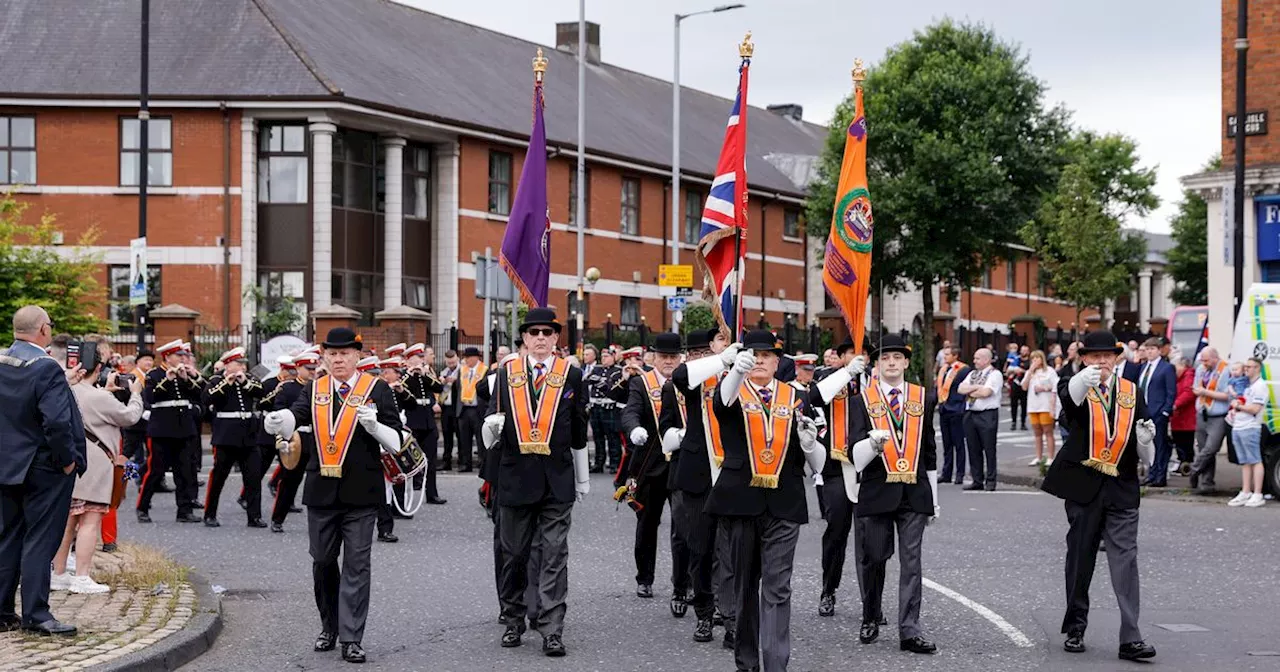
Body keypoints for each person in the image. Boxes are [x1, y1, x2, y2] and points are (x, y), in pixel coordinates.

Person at [263, 327, 406, 664]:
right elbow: (294, 418)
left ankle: (352, 637)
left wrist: (376, 427)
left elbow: (397, 440)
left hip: (362, 493)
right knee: (323, 561)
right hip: (322, 491)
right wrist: (278, 420)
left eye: (345, 353)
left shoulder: (377, 388)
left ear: (358, 356)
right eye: (332, 353)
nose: (339, 359)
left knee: (357, 565)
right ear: (324, 357)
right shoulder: (314, 389)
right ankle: (330, 625)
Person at [708, 330, 825, 672]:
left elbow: (818, 463)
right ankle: (747, 661)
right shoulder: (731, 388)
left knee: (778, 587)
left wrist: (808, 443)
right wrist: (735, 370)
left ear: (778, 362)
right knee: (745, 586)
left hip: (785, 502)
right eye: (753, 354)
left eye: (766, 356)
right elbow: (722, 404)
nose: (759, 360)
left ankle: (776, 664)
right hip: (740, 501)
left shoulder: (797, 397)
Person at [1041, 330, 1157, 662]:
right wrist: (1082, 378)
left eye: (1108, 355)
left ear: (1117, 358)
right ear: (1084, 359)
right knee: (1080, 560)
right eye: (1095, 356)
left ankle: (1131, 637)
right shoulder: (1076, 386)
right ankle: (1075, 628)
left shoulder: (1131, 392)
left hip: (1121, 488)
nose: (1102, 361)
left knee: (1126, 563)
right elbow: (1069, 402)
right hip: (1084, 489)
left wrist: (1146, 441)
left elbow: (1144, 451)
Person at [481, 308, 589, 657]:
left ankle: (551, 628)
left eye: (547, 332)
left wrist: (583, 477)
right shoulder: (504, 374)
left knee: (555, 554)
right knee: (514, 554)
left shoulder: (571, 375)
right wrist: (490, 429)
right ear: (524, 339)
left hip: (557, 478)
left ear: (557, 338)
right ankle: (513, 618)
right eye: (533, 332)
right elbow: (489, 424)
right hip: (514, 477)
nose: (540, 338)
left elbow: (578, 431)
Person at [843, 334, 939, 655]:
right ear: (876, 364)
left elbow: (929, 451)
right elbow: (854, 456)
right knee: (874, 558)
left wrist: (935, 498)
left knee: (912, 561)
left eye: (898, 357)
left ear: (907, 362)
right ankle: (870, 614)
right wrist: (872, 444)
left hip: (914, 491)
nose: (892, 363)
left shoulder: (923, 397)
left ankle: (910, 630)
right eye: (885, 358)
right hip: (876, 489)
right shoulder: (862, 401)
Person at [0, 307, 87, 636]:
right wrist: (67, 458)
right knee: (40, 539)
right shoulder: (47, 367)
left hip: (7, 464)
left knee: (8, 537)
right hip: (43, 466)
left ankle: (3, 611)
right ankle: (36, 613)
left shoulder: (4, 362)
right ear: (42, 331)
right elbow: (55, 421)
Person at [660, 328, 739, 644]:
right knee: (701, 549)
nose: (725, 345)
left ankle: (731, 615)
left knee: (734, 550)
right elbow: (680, 376)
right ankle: (705, 613)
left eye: (729, 340)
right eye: (720, 340)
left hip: (734, 471)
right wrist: (721, 360)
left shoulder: (745, 376)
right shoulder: (697, 376)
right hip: (699, 472)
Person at [53, 354, 144, 593]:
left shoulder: (68, 391)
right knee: (90, 521)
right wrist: (135, 393)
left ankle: (58, 572)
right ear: (100, 368)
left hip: (71, 459)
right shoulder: (100, 397)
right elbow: (130, 416)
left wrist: (106, 390)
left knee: (69, 521)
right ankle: (82, 577)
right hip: (95, 462)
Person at [808, 338, 875, 622]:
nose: (858, 358)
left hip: (871, 467)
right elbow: (815, 398)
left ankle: (870, 602)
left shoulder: (877, 381)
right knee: (836, 533)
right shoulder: (830, 377)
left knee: (870, 540)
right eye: (851, 353)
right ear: (842, 356)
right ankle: (828, 591)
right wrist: (848, 373)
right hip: (837, 463)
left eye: (863, 354)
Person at [619, 332, 687, 605]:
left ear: (679, 358)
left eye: (673, 357)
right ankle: (644, 578)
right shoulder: (641, 383)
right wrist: (634, 428)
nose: (668, 361)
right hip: (651, 463)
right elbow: (630, 410)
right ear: (654, 358)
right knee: (647, 522)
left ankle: (684, 582)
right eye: (663, 357)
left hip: (682, 463)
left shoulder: (687, 381)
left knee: (684, 526)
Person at [136, 340, 202, 524]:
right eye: (179, 356)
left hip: (183, 429)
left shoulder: (184, 374)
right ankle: (142, 507)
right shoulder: (155, 375)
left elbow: (199, 394)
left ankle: (184, 510)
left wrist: (189, 378)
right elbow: (150, 397)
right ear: (167, 357)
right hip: (161, 430)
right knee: (155, 471)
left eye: (183, 355)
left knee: (184, 472)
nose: (183, 358)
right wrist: (168, 379)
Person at [202, 348, 267, 528]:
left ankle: (254, 516)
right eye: (238, 364)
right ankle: (210, 514)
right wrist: (226, 383)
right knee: (218, 477)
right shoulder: (216, 380)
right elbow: (207, 399)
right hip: (226, 436)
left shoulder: (249, 380)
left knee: (253, 477)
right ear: (227, 365)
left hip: (248, 435)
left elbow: (261, 392)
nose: (242, 367)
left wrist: (244, 382)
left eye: (243, 364)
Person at [269, 351, 318, 533]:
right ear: (298, 368)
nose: (313, 372)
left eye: (315, 368)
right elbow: (280, 416)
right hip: (296, 437)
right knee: (289, 481)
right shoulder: (287, 389)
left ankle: (320, 521)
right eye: (309, 368)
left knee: (320, 481)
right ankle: (278, 518)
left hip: (316, 439)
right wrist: (282, 439)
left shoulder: (320, 387)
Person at [403, 344, 446, 506]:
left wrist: (425, 374)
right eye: (417, 358)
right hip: (412, 421)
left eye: (421, 357)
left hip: (428, 421)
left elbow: (438, 387)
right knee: (409, 461)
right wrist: (410, 373)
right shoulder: (403, 375)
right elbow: (401, 388)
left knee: (431, 461)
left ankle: (432, 493)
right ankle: (407, 494)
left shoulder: (425, 375)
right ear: (409, 360)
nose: (421, 361)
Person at [1226, 357, 1268, 508]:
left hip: (1251, 426)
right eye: (1245, 367)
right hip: (1238, 425)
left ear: (1257, 368)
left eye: (1249, 367)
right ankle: (1245, 491)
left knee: (1255, 459)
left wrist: (1238, 406)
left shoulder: (1260, 386)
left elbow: (1255, 408)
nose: (1246, 370)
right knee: (1244, 461)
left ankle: (1257, 493)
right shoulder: (1246, 385)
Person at [959, 348, 1002, 491]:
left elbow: (986, 392)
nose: (974, 361)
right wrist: (977, 387)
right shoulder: (972, 374)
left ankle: (991, 480)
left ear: (986, 359)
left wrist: (971, 390)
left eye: (977, 358)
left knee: (989, 449)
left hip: (987, 414)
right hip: (970, 413)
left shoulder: (995, 375)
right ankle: (977, 480)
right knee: (973, 448)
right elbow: (960, 388)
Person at [1135, 338, 1177, 487]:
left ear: (1159, 350)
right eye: (1147, 349)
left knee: (1160, 445)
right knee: (1147, 446)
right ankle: (1151, 474)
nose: (1150, 352)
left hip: (1158, 412)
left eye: (1153, 349)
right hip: (1144, 412)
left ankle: (1160, 476)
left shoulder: (1166, 368)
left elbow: (1171, 391)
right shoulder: (1143, 367)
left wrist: (1165, 411)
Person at [1189, 347, 1231, 494]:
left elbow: (1227, 395)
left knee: (1211, 448)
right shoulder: (1201, 368)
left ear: (1215, 358)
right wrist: (1198, 391)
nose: (1203, 363)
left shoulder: (1225, 370)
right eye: (1202, 360)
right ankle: (1207, 484)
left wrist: (1205, 392)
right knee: (1202, 448)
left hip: (1218, 415)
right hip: (1202, 413)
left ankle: (1193, 469)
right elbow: (1195, 387)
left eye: (1206, 360)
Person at [935, 347, 970, 484]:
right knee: (947, 444)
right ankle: (946, 473)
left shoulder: (963, 370)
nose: (945, 357)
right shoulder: (944, 369)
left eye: (948, 355)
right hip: (944, 409)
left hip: (956, 410)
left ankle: (960, 473)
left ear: (955, 356)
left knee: (959, 444)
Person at [1021, 350, 1060, 467]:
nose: (1034, 361)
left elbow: (1055, 386)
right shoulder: (1030, 372)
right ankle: (1038, 456)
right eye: (1032, 359)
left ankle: (1050, 457)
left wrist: (1044, 388)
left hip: (1045, 405)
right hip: (1033, 406)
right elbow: (1024, 386)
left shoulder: (1049, 371)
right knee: (1037, 433)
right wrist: (1030, 372)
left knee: (1048, 431)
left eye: (1037, 358)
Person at [456, 347, 488, 473]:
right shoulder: (462, 370)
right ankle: (466, 463)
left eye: (468, 357)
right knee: (464, 439)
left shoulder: (485, 370)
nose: (466, 360)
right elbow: (458, 389)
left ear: (476, 357)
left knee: (481, 439)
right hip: (464, 409)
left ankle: (482, 463)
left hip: (478, 410)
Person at [1169, 356, 1196, 476]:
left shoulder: (1188, 376)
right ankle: (1183, 463)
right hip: (1179, 417)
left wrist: (1175, 405)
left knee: (1185, 442)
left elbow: (1188, 392)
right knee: (1179, 441)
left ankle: (1188, 465)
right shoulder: (1179, 378)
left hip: (1186, 417)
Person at [438, 350, 461, 471]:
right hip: (446, 407)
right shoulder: (444, 372)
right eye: (448, 362)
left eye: (453, 362)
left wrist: (456, 381)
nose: (451, 364)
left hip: (458, 407)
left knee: (461, 435)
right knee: (447, 435)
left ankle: (462, 460)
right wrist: (442, 381)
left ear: (457, 359)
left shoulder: (462, 371)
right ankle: (446, 461)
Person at [1006, 344, 1029, 431]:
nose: (1023, 352)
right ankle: (1013, 422)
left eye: (1025, 350)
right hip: (1015, 384)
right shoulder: (1016, 359)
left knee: (1024, 404)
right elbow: (1008, 370)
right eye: (1022, 350)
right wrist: (1013, 370)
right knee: (1013, 404)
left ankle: (1023, 423)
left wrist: (1022, 371)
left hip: (1025, 385)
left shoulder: (1030, 361)